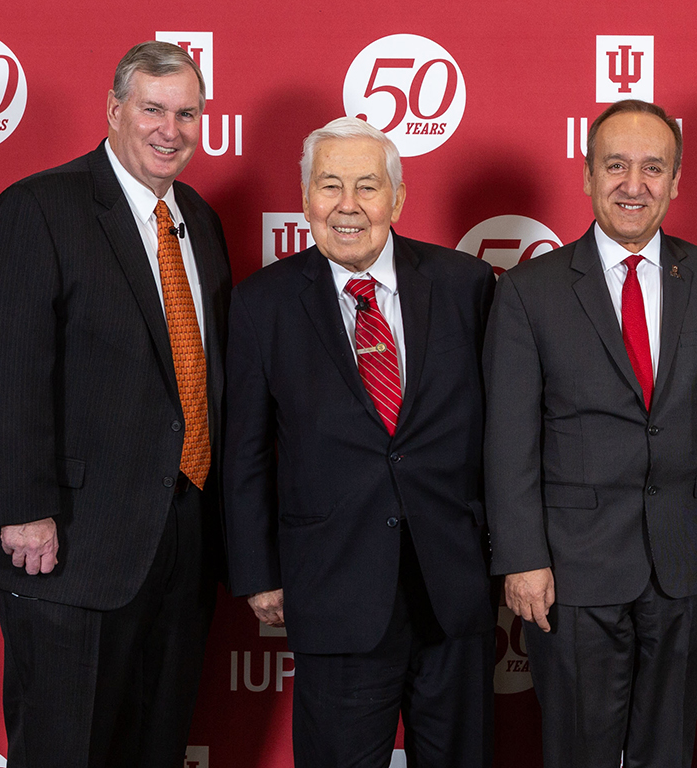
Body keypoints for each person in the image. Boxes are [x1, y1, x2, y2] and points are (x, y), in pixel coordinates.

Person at [0, 41, 230, 767]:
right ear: (114, 111)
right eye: (152, 109)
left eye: (188, 113)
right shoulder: (39, 208)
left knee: (155, 747)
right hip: (69, 543)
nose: (170, 129)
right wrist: (23, 507)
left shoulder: (198, 221)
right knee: (65, 751)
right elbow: (0, 365)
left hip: (180, 542)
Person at [223, 117, 495, 767]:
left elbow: (503, 434)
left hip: (453, 588)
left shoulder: (467, 287)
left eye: (367, 187)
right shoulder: (262, 304)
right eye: (330, 185)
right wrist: (259, 572)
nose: (348, 206)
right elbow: (246, 452)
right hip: (333, 588)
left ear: (398, 200)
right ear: (305, 197)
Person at [483, 99, 697, 768]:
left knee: (669, 750)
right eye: (617, 166)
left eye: (653, 168)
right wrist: (522, 558)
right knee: (579, 750)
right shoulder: (528, 291)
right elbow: (509, 438)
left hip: (685, 559)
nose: (635, 185)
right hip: (571, 569)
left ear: (677, 180)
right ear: (587, 175)